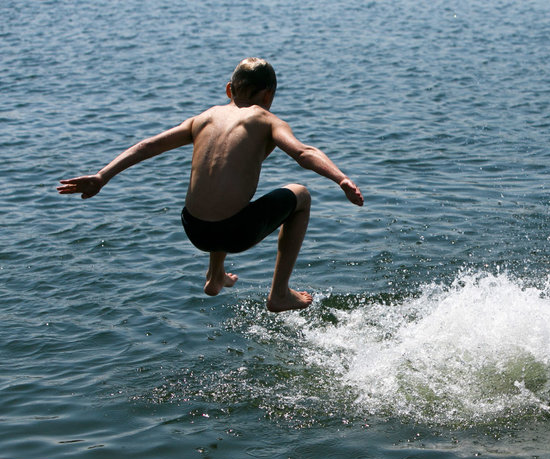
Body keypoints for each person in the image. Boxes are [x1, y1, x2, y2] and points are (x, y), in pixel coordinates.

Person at [57, 58, 364, 312]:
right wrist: (340, 178)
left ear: (230, 89)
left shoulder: (203, 118)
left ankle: (215, 276)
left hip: (194, 228)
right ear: (268, 96)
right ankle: (279, 293)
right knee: (302, 195)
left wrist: (102, 176)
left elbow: (146, 145)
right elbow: (303, 152)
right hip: (233, 231)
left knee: (218, 191)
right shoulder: (268, 120)